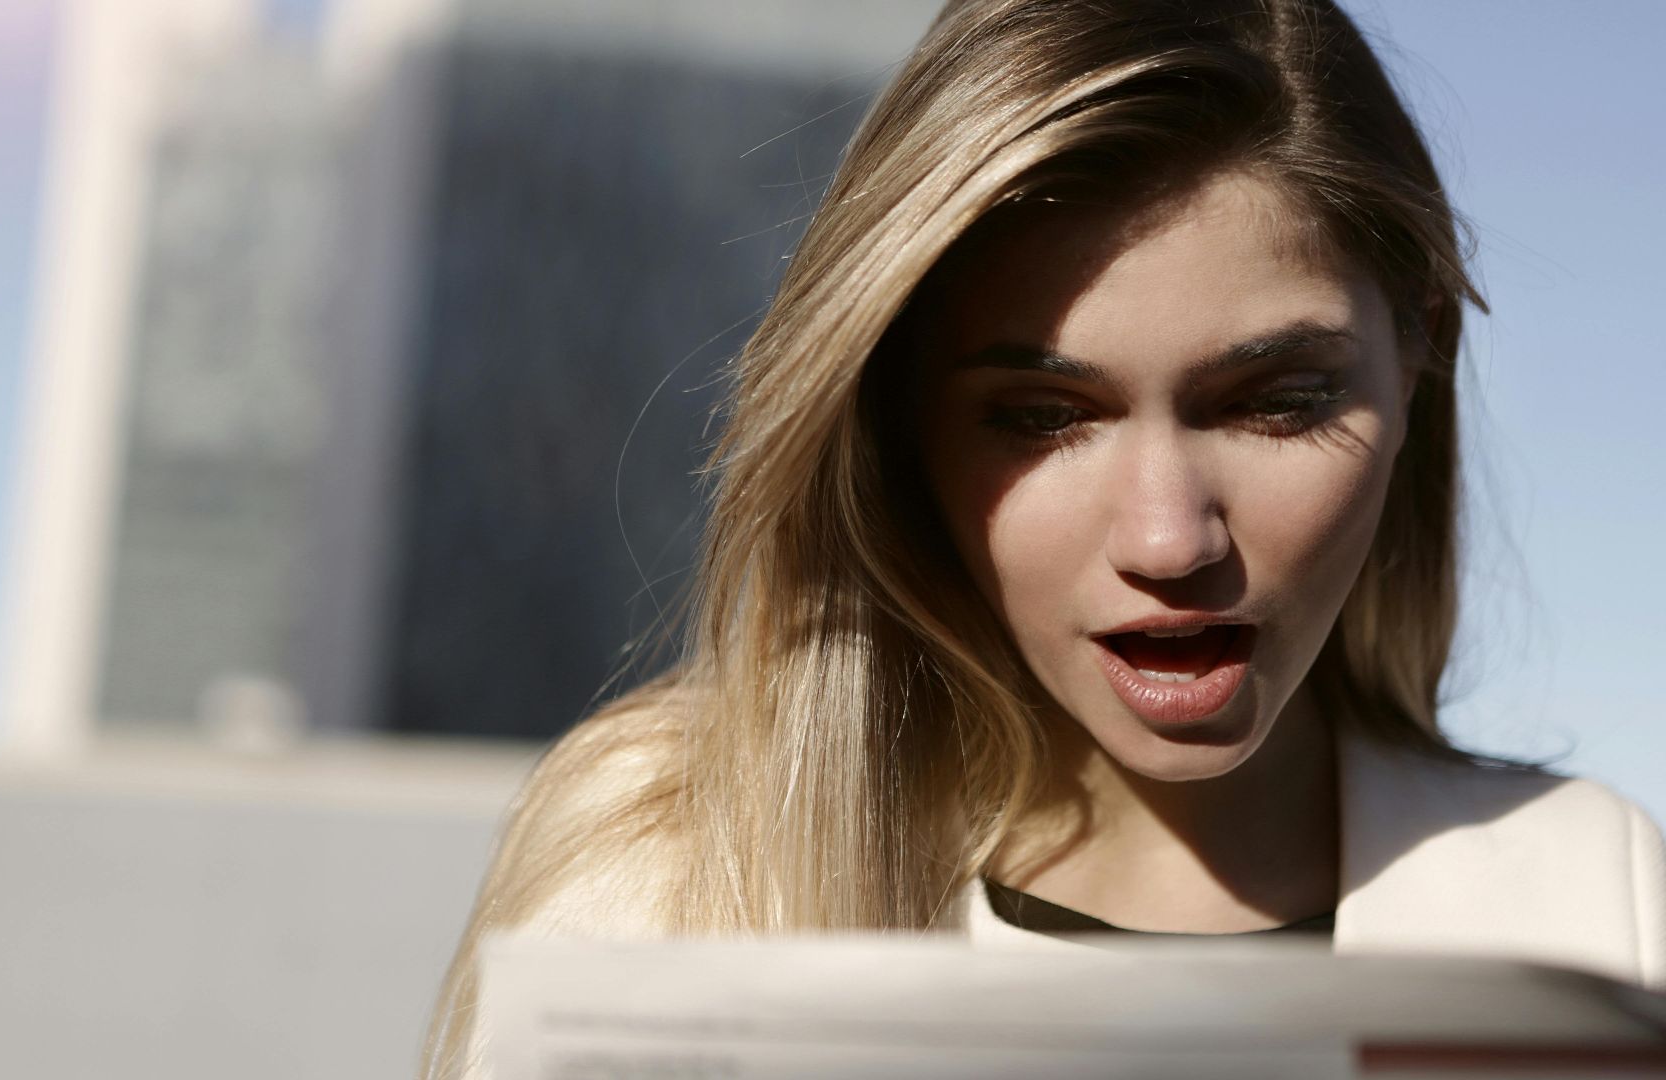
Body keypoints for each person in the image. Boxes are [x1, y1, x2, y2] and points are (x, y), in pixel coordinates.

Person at [425, 0, 1666, 1074]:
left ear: (1421, 355)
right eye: (1043, 418)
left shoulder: (1588, 896)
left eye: (1277, 401)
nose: (1170, 539)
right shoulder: (668, 866)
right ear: (901, 421)